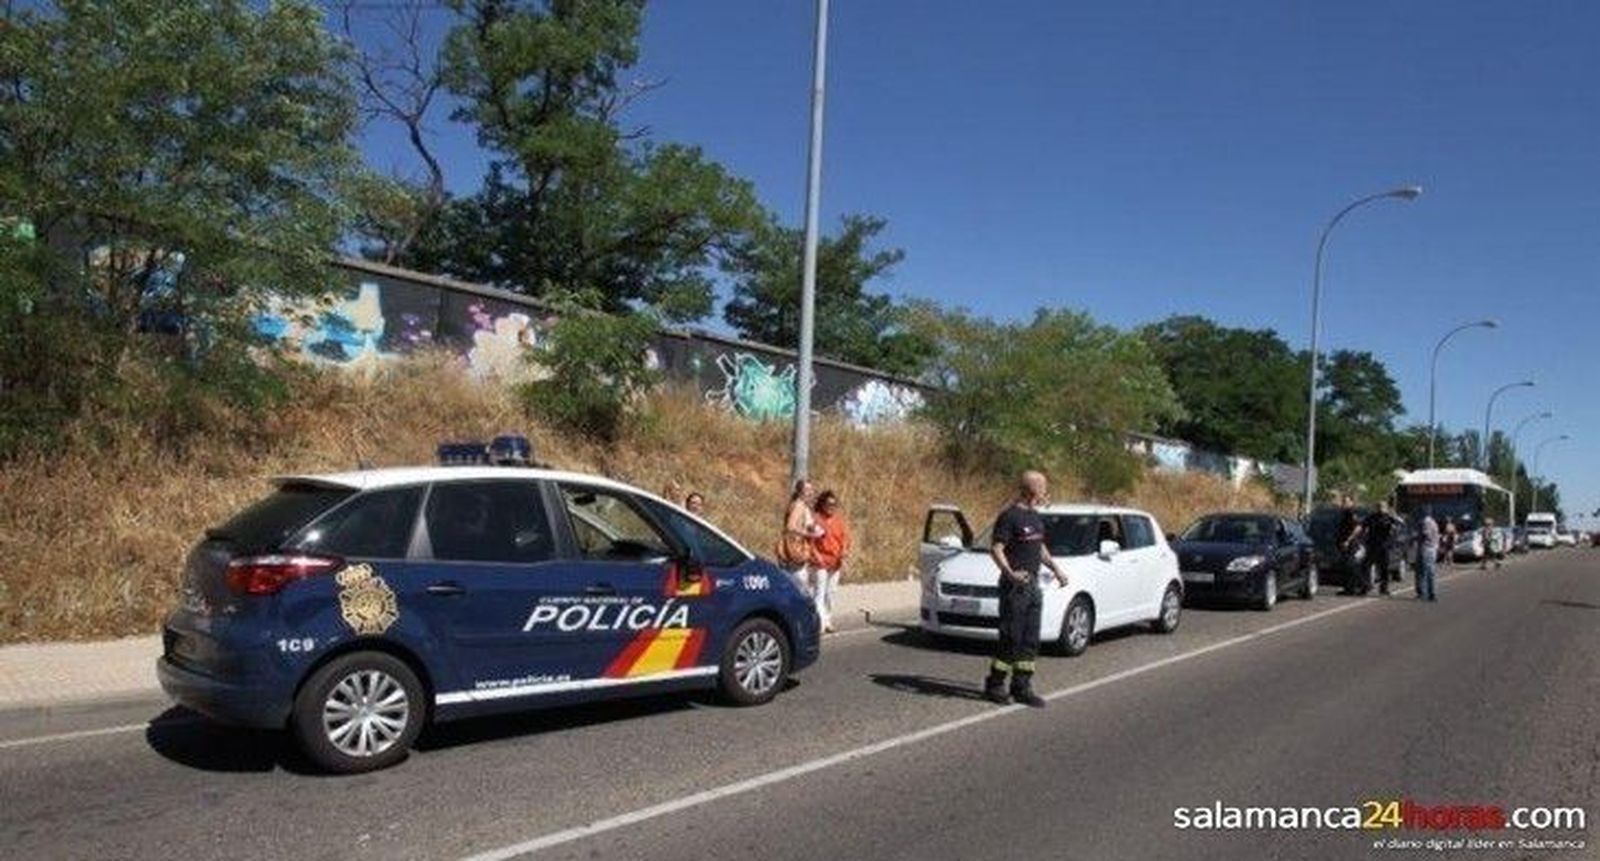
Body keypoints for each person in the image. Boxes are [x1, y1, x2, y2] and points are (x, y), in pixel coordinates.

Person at [984, 470, 1069, 708]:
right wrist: (1009, 573)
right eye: (1043, 487)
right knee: (1011, 637)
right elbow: (997, 549)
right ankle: (995, 684)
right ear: (1032, 490)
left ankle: (1022, 686)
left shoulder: (1035, 517)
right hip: (1014, 588)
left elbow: (1039, 548)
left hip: (1033, 586)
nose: (1045, 491)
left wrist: (1056, 569)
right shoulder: (1009, 517)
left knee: (1030, 638)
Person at [810, 490, 852, 634]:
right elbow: (811, 541)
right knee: (819, 592)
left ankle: (828, 620)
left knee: (831, 593)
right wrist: (817, 556)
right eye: (828, 504)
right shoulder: (815, 519)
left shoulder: (839, 521)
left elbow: (845, 539)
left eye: (834, 504)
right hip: (820, 562)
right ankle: (819, 623)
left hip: (835, 563)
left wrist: (844, 551)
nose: (831, 507)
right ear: (822, 505)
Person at [777, 479, 824, 593]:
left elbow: (800, 524)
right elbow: (790, 527)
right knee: (800, 589)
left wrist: (813, 528)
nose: (810, 492)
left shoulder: (802, 505)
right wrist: (811, 534)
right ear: (799, 492)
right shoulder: (799, 505)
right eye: (807, 489)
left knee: (795, 586)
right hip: (796, 551)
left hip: (795, 551)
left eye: (811, 489)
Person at [1361, 501, 1397, 596]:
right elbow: (1363, 526)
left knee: (1384, 569)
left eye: (1382, 506)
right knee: (1365, 566)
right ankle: (1366, 586)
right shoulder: (1371, 517)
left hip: (1384, 546)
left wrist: (1393, 518)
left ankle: (1384, 589)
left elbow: (1398, 526)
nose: (1380, 508)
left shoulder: (1389, 518)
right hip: (1372, 545)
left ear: (1386, 508)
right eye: (1379, 506)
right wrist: (1363, 538)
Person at [1336, 498, 1365, 595]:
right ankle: (1349, 589)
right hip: (1344, 543)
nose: (1343, 503)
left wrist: (1348, 540)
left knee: (1351, 566)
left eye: (1346, 502)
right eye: (1343, 501)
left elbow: (1358, 528)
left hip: (1350, 543)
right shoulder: (1344, 513)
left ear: (1352, 503)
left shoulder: (1351, 513)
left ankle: (1363, 585)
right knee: (1347, 566)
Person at [1416, 507, 1439, 602]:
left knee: (1422, 572)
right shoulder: (1434, 522)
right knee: (1431, 572)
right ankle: (1432, 594)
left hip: (1425, 548)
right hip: (1433, 549)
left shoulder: (1426, 522)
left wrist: (1416, 537)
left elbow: (1426, 534)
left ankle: (1423, 593)